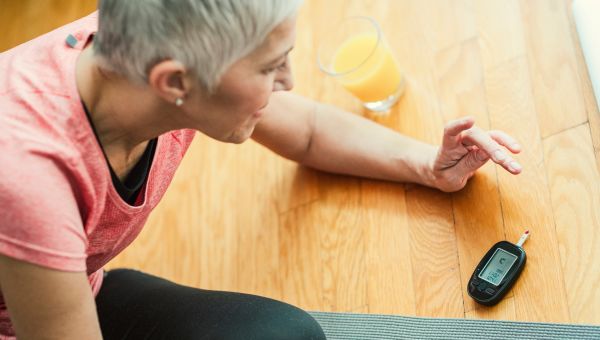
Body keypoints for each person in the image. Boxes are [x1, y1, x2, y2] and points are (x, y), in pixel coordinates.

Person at [0, 0, 522, 339]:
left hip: (74, 288)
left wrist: (428, 166)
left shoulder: (147, 53)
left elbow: (310, 131)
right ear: (174, 83)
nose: (290, 82)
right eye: (271, 67)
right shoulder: (29, 175)